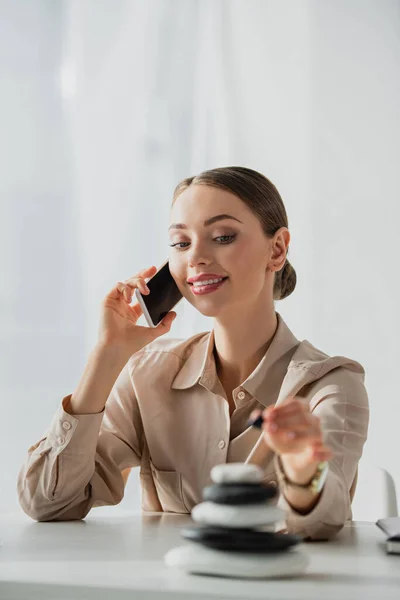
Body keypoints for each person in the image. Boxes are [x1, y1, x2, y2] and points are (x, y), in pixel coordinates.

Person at [17, 166, 369, 540]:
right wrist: (107, 356)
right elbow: (47, 503)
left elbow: (322, 523)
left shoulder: (331, 384)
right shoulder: (148, 375)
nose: (196, 258)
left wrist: (302, 470)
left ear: (277, 248)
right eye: (181, 244)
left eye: (222, 236)